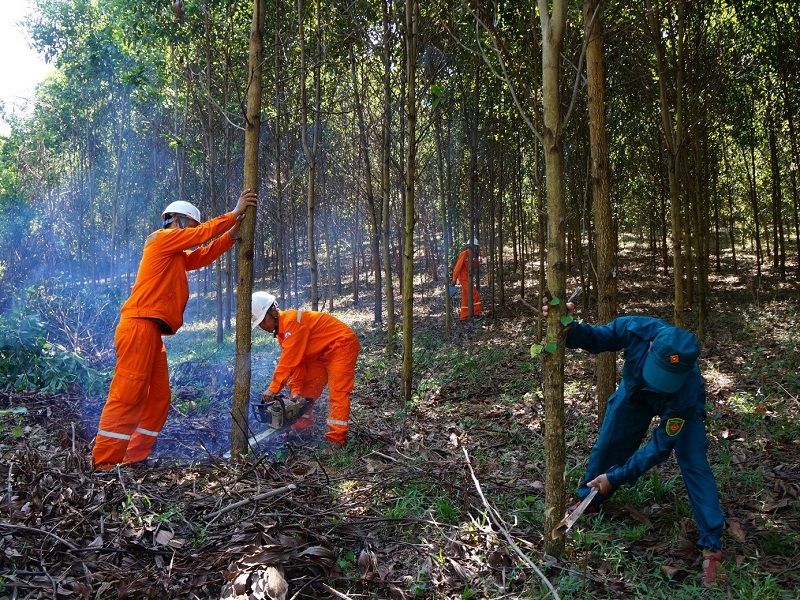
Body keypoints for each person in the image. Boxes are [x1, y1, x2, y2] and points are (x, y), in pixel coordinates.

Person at [544, 302, 726, 587]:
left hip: (676, 407)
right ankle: (591, 497)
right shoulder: (634, 328)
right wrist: (566, 324)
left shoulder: (687, 392)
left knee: (694, 461)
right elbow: (595, 338)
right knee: (609, 444)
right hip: (634, 394)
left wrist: (617, 477)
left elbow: (659, 448)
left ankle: (712, 544)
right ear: (651, 347)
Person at [92, 190, 258, 469]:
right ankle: (104, 463)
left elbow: (202, 255)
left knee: (159, 398)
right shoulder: (161, 239)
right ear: (177, 221)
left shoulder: (174, 255)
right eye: (191, 226)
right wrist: (233, 214)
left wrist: (230, 237)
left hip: (150, 332)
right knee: (127, 394)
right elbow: (201, 237)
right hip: (138, 326)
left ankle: (133, 457)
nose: (192, 233)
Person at [251, 291, 361, 451]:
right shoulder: (283, 334)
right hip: (318, 354)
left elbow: (288, 361)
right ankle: (302, 429)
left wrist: (273, 388)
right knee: (305, 394)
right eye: (259, 324)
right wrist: (296, 393)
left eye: (262, 321)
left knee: (338, 391)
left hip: (340, 345)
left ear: (273, 311)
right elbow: (298, 364)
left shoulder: (292, 322)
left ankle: (336, 439)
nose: (262, 326)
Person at [451, 239, 482, 320]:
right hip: (463, 279)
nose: (476, 248)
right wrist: (454, 279)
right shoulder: (464, 254)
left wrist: (476, 258)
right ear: (470, 246)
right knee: (475, 294)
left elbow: (474, 267)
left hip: (468, 278)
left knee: (466, 297)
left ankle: (463, 316)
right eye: (475, 247)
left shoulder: (472, 255)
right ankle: (476, 313)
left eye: (476, 247)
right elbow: (457, 267)